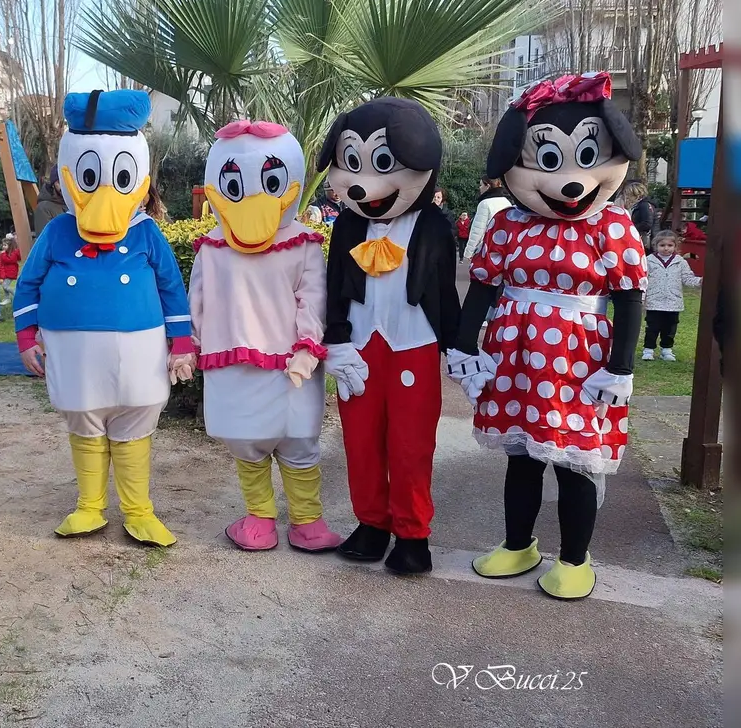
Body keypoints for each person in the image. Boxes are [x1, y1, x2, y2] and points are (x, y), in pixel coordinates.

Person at [447, 72, 646, 600]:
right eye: (549, 161)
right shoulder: (509, 225)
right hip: (515, 356)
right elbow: (484, 289)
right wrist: (464, 347)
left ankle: (576, 558)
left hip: (581, 361)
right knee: (523, 455)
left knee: (576, 458)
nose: (572, 183)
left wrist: (621, 366)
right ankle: (519, 543)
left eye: (587, 157)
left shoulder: (613, 226)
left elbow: (629, 297)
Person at [15, 89, 196, 547]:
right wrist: (25, 336)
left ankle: (139, 511)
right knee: (83, 420)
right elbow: (28, 284)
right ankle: (89, 506)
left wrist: (183, 344)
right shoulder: (57, 231)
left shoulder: (147, 232)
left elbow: (172, 288)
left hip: (141, 349)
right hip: (72, 351)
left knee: (136, 424)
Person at [319, 99, 459, 574]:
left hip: (413, 346)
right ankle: (372, 523)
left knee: (411, 443)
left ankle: (413, 533)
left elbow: (444, 292)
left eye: (380, 164)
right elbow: (335, 285)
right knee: (360, 440)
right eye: (352, 164)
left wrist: (460, 347)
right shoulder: (347, 225)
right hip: (358, 346)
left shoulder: (435, 227)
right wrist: (334, 342)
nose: (365, 183)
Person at [190, 120, 341, 553]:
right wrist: (188, 346)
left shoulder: (304, 243)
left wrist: (308, 347)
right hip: (230, 362)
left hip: (290, 364)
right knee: (245, 441)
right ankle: (259, 517)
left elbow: (313, 298)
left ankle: (307, 519)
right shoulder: (211, 247)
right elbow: (196, 301)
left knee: (298, 441)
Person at [641, 230, 702, 361]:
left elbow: (687, 278)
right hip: (654, 301)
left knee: (669, 328)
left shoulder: (680, 262)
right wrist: (642, 298)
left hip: (673, 302)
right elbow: (643, 280)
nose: (666, 248)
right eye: (662, 245)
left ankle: (666, 349)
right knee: (652, 327)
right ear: (655, 246)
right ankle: (648, 349)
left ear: (675, 246)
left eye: (669, 245)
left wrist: (700, 281)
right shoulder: (649, 261)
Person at [463, 177, 511, 261]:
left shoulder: (484, 203)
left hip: (487, 249)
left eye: (481, 185)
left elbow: (477, 230)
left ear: (487, 186)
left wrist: (468, 252)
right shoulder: (507, 202)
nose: (479, 188)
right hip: (504, 248)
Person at [31, 166, 66, 236]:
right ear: (53, 184)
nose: (64, 186)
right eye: (59, 182)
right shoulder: (44, 208)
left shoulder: (73, 204)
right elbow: (46, 240)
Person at [0, 235, 21, 309]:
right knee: (4, 286)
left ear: (10, 246)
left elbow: (9, 260)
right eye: (3, 245)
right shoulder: (7, 253)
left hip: (11, 273)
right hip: (6, 272)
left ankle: (16, 294)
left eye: (5, 245)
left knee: (5, 286)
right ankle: (7, 298)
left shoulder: (13, 253)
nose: (3, 246)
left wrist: (3, 254)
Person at [627, 182, 656, 249]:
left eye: (629, 194)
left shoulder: (644, 205)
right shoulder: (638, 205)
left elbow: (647, 223)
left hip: (645, 239)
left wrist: (630, 229)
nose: (627, 196)